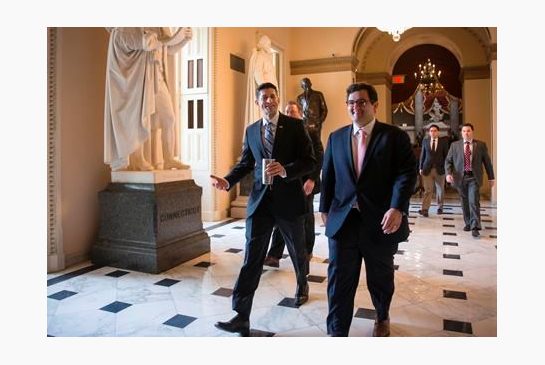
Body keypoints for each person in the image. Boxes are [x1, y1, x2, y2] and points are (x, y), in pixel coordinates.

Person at [210, 82, 316, 336]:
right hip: (260, 204)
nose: (268, 101)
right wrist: (228, 180)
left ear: (277, 99)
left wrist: (286, 170)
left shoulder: (294, 126)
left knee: (297, 251)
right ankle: (241, 315)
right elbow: (246, 162)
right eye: (264, 98)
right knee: (251, 258)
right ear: (257, 103)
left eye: (272, 97)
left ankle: (302, 285)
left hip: (289, 201)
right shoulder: (251, 131)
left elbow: (310, 161)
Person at [319, 83, 416, 337]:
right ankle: (337, 331)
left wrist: (397, 207)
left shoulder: (394, 137)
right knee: (339, 280)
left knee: (380, 278)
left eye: (361, 102)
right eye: (351, 103)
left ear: (374, 105)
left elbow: (406, 175)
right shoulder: (336, 137)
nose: (355, 107)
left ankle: (382, 315)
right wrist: (324, 208)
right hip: (343, 221)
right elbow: (328, 176)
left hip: (380, 221)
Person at [104, 27, 192, 171]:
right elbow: (147, 43)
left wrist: (184, 40)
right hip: (139, 80)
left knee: (169, 119)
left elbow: (166, 49)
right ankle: (138, 160)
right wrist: (173, 38)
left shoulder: (159, 26)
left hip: (157, 76)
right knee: (138, 120)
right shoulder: (123, 30)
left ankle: (169, 159)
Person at [264, 101, 324, 268]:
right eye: (287, 111)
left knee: (305, 217)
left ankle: (306, 251)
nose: (289, 114)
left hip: (305, 181)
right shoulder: (280, 132)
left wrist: (312, 179)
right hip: (286, 181)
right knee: (282, 217)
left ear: (300, 114)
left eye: (292, 111)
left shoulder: (310, 131)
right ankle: (274, 255)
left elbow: (318, 157)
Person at [445, 123, 495, 237]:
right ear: (461, 133)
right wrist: (448, 173)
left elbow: (487, 162)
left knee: (473, 201)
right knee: (464, 202)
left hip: (474, 177)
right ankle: (468, 222)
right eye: (464, 131)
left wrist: (491, 177)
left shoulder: (480, 145)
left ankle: (475, 226)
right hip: (460, 178)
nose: (466, 133)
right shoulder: (455, 145)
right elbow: (448, 161)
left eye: (468, 131)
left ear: (472, 132)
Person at [418, 124, 449, 216]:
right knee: (428, 190)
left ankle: (440, 207)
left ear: (438, 132)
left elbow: (446, 156)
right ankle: (425, 209)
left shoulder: (443, 142)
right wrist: (420, 167)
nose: (433, 132)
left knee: (440, 190)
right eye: (431, 131)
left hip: (440, 169)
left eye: (435, 131)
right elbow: (422, 155)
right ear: (429, 132)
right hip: (427, 169)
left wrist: (447, 169)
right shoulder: (425, 141)